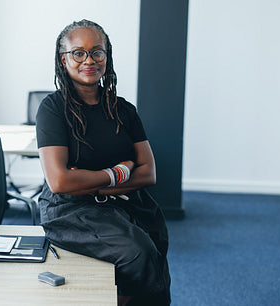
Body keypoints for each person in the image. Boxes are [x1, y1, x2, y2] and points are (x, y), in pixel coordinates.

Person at [36, 19, 171, 306]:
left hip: (122, 200)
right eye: (78, 53)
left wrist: (94, 185)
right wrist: (117, 173)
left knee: (156, 237)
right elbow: (60, 182)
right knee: (138, 251)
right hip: (69, 209)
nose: (89, 60)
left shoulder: (124, 110)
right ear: (64, 59)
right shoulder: (53, 109)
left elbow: (149, 173)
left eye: (97, 52)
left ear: (107, 57)